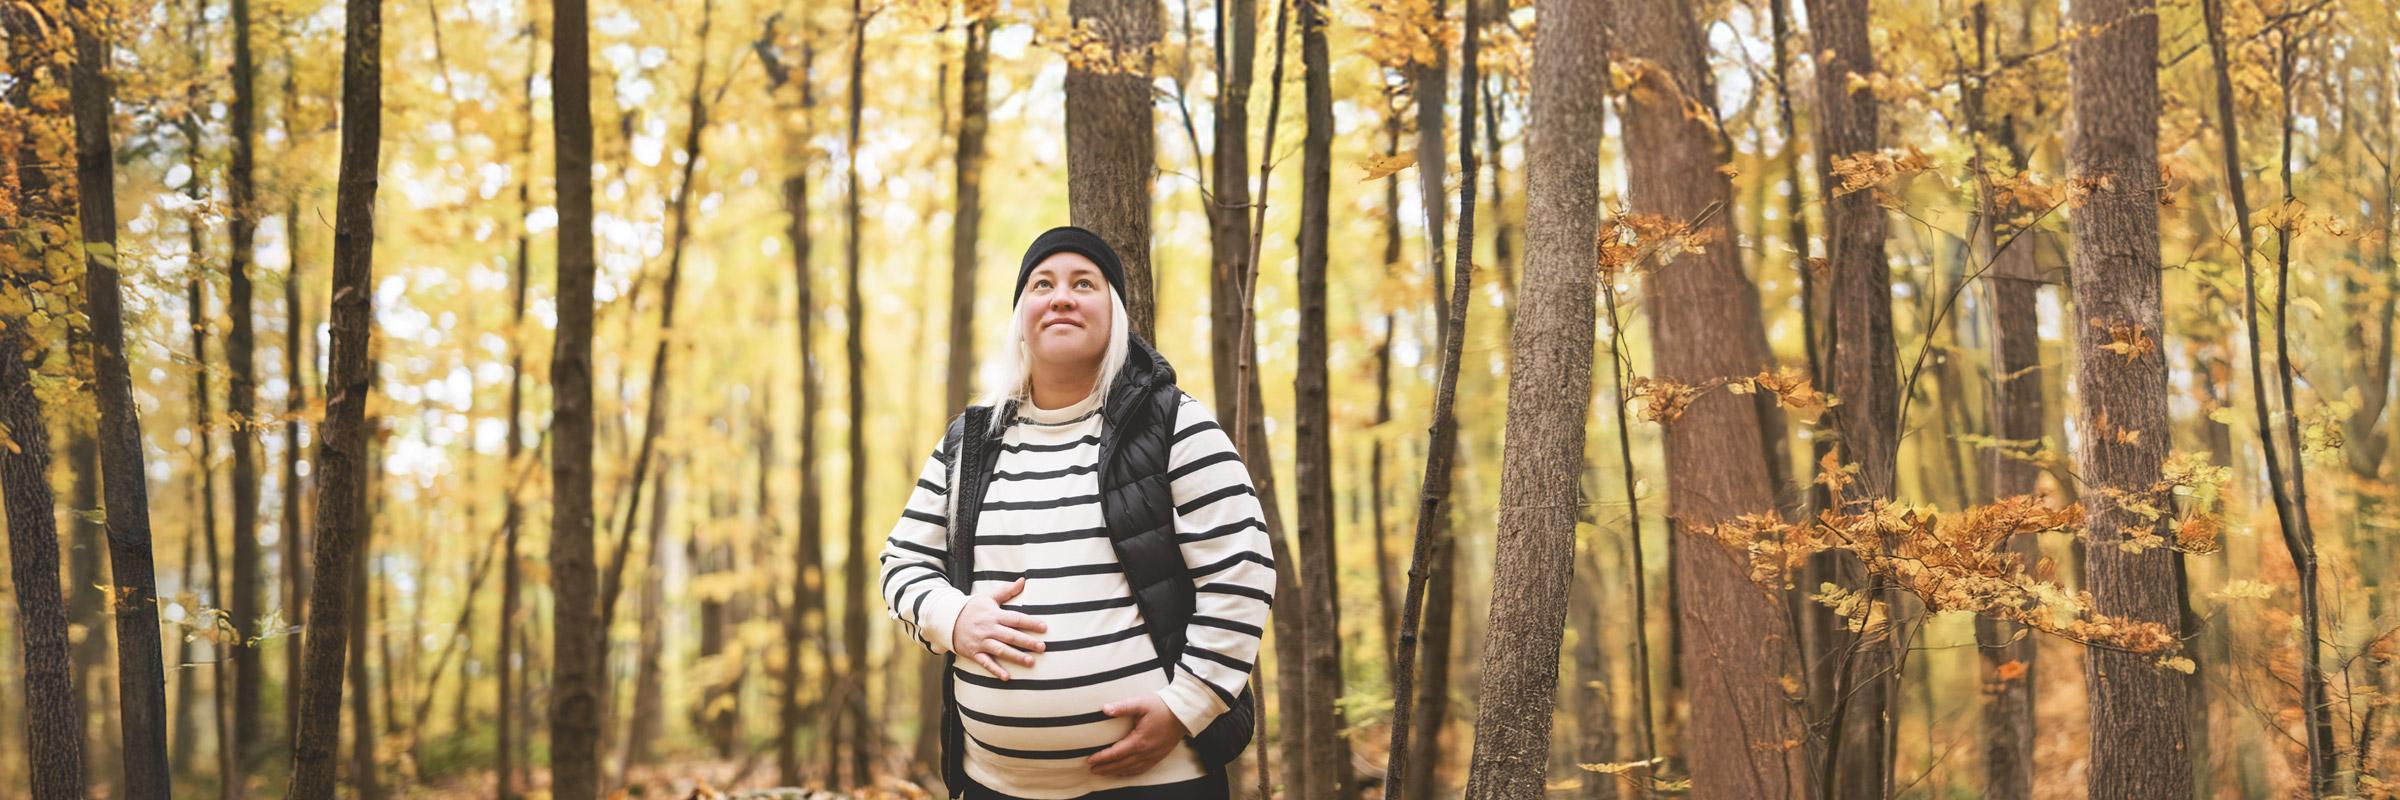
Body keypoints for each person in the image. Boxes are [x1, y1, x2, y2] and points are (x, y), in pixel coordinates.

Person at [879, 226, 1276, 800]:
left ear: (1114, 313)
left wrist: (1187, 705)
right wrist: (952, 617)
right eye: (1043, 284)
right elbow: (902, 563)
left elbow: (1241, 569)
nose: (1061, 296)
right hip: (996, 785)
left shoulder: (1173, 423)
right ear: (1020, 317)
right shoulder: (969, 444)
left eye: (1083, 283)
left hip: (1159, 782)